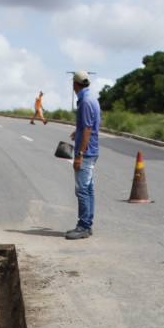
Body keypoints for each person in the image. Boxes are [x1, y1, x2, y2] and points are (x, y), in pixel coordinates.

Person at [67, 70, 100, 239]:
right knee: (88, 189)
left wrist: (79, 154)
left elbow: (88, 129)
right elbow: (88, 126)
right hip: (91, 150)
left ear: (75, 84)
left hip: (86, 152)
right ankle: (87, 224)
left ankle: (83, 227)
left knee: (82, 190)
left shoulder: (85, 101)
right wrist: (77, 131)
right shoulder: (91, 98)